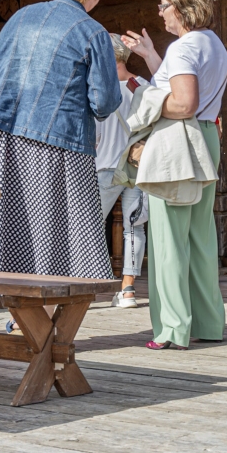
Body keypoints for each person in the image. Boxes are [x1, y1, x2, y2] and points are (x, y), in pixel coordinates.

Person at [0, 0, 122, 303]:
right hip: (58, 141)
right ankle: (48, 321)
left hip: (3, 137)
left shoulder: (22, 17)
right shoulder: (92, 31)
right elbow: (104, 102)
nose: (101, 1)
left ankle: (22, 314)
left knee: (11, 230)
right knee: (60, 237)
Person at [121, 0, 227, 350]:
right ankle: (208, 322)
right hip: (206, 140)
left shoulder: (183, 48)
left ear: (181, 7)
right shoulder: (212, 43)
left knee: (167, 239)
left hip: (176, 142)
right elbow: (184, 91)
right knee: (200, 237)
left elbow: (183, 103)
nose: (160, 11)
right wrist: (152, 56)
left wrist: (145, 99)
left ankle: (171, 329)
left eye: (164, 4)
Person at [95, 33, 149, 309]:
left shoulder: (97, 88)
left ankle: (85, 286)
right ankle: (128, 290)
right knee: (134, 228)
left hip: (104, 165)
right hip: (137, 167)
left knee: (90, 227)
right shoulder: (143, 85)